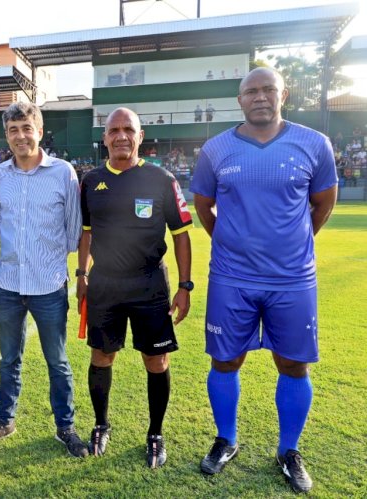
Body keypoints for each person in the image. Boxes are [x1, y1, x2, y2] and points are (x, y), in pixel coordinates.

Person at [191, 67, 337, 493]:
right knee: (225, 359)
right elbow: (204, 208)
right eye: (251, 91)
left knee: (293, 363)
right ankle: (226, 440)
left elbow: (322, 205)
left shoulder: (314, 143)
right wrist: (234, 247)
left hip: (292, 280)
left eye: (268, 89)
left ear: (283, 94)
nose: (259, 97)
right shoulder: (216, 149)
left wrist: (291, 248)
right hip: (231, 278)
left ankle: (288, 450)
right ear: (239, 100)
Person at [77, 107, 193, 467]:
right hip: (105, 284)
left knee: (156, 360)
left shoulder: (161, 179)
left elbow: (181, 235)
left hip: (149, 285)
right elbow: (86, 233)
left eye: (129, 129)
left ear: (140, 136)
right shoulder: (90, 180)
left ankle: (155, 433)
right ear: (105, 137)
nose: (121, 136)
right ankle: (100, 424)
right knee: (101, 356)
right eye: (114, 130)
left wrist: (185, 285)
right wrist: (81, 273)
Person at [0, 102, 88, 457]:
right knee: (9, 360)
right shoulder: (0, 174)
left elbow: (74, 229)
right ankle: (5, 419)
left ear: (39, 130)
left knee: (57, 361)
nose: (20, 136)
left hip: (49, 284)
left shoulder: (63, 173)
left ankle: (65, 427)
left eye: (26, 128)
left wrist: (75, 269)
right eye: (13, 130)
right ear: (6, 136)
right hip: (7, 283)